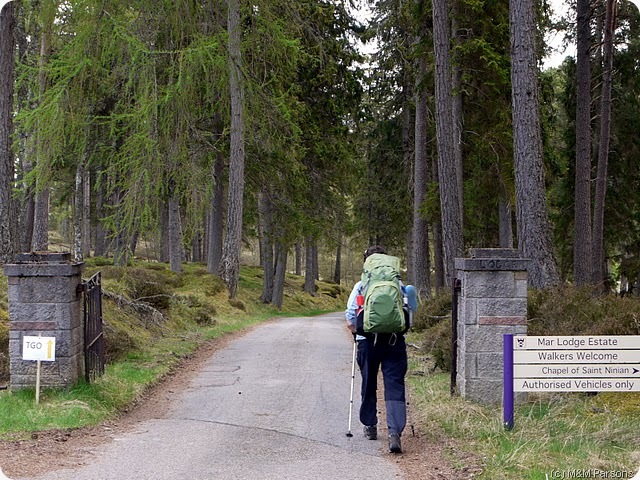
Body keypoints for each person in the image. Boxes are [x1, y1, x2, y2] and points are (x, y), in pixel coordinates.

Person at [345, 245, 410, 454]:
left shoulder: (361, 285)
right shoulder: (399, 285)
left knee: (369, 382)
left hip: (367, 342)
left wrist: (358, 333)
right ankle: (394, 432)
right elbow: (410, 314)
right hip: (394, 341)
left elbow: (350, 317)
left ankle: (370, 426)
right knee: (394, 385)